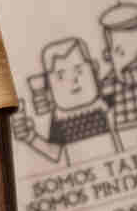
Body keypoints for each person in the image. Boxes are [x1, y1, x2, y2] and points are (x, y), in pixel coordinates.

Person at [12, 37, 122, 166]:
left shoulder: (106, 102)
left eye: (79, 71)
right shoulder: (60, 118)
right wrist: (29, 137)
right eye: (60, 76)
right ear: (49, 88)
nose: (73, 81)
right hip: (84, 176)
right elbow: (54, 153)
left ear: (94, 69)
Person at [99, 1, 137, 148]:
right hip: (129, 135)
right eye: (121, 52)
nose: (135, 58)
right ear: (108, 56)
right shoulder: (108, 84)